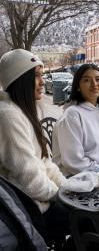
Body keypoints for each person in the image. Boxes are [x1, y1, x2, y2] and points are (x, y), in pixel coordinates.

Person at [0, 49, 73, 245]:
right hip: (28, 210)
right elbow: (28, 177)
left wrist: (67, 189)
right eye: (36, 76)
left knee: (89, 214)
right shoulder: (8, 116)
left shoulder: (26, 110)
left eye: (42, 75)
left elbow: (45, 163)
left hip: (43, 199)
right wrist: (61, 197)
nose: (42, 82)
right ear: (19, 80)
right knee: (89, 221)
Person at [52, 63, 99, 176]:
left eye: (98, 79)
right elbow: (73, 162)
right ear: (78, 86)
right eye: (87, 80)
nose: (94, 84)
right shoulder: (72, 116)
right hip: (76, 181)